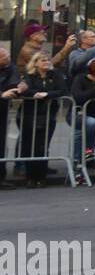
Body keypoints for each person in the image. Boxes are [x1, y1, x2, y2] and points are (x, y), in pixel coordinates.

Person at [16, 52, 67, 187]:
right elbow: (24, 90)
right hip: (29, 114)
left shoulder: (55, 74)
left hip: (48, 115)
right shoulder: (30, 75)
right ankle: (30, 177)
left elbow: (62, 90)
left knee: (42, 146)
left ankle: (41, 176)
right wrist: (34, 93)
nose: (46, 62)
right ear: (36, 63)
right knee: (28, 146)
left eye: (48, 60)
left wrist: (47, 94)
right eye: (43, 60)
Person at [70, 59, 95, 180]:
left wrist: (91, 93)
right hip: (77, 113)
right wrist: (94, 90)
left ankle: (87, 156)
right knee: (86, 128)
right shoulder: (80, 78)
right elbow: (77, 97)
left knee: (89, 132)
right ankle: (80, 159)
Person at [0, 47, 20, 189]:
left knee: (1, 144)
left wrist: (20, 88)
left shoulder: (10, 67)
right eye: (4, 58)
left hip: (2, 110)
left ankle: (1, 177)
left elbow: (14, 83)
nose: (8, 59)